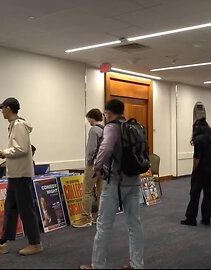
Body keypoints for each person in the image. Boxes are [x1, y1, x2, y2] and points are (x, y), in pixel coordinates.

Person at [80, 99, 144, 269]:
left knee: (104, 225)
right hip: (134, 181)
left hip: (115, 182)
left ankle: (98, 265)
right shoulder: (134, 127)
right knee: (134, 224)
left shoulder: (112, 127)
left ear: (108, 113)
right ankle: (137, 265)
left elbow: (106, 148)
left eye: (106, 114)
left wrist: (97, 167)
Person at [0, 97, 43, 256]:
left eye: (2, 108)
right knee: (10, 208)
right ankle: (3, 242)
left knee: (26, 209)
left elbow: (22, 149)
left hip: (21, 175)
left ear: (9, 108)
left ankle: (35, 243)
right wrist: (5, 153)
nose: (1, 111)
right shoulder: (14, 126)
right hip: (15, 175)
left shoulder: (18, 126)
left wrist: (4, 153)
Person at [181, 118, 211, 226]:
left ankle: (191, 218)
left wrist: (193, 171)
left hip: (200, 171)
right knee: (208, 194)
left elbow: (197, 159)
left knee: (194, 194)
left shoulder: (198, 139)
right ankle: (206, 218)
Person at [73, 108, 104, 228]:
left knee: (87, 191)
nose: (88, 121)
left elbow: (91, 149)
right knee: (101, 192)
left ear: (92, 118)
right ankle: (100, 216)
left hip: (94, 166)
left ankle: (86, 218)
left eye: (88, 119)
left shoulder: (93, 130)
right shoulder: (106, 129)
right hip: (104, 165)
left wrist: (89, 163)